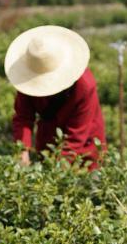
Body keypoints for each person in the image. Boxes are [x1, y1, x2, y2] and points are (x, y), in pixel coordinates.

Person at [6, 25, 106, 168]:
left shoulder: (84, 86)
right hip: (48, 139)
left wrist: (55, 173)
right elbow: (23, 117)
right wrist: (22, 149)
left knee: (86, 185)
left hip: (85, 147)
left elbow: (75, 138)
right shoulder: (27, 81)